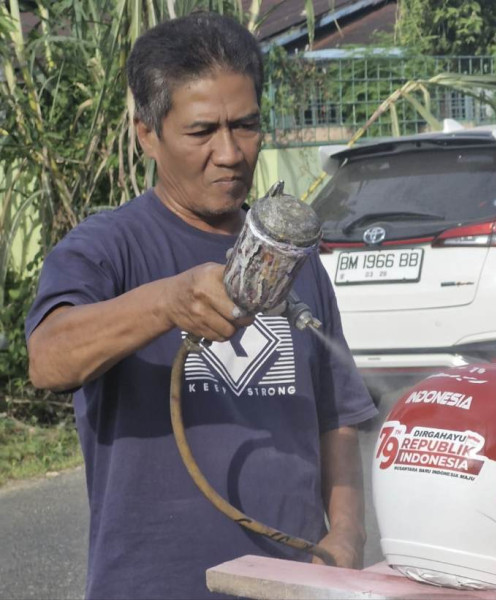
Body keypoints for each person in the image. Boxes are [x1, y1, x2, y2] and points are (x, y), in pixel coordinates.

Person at [25, 12, 377, 600]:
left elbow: (337, 418)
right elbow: (48, 359)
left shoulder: (296, 259)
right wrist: (166, 302)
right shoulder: (107, 248)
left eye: (246, 126)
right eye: (201, 131)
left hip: (294, 584)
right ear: (146, 134)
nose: (231, 153)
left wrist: (346, 533)